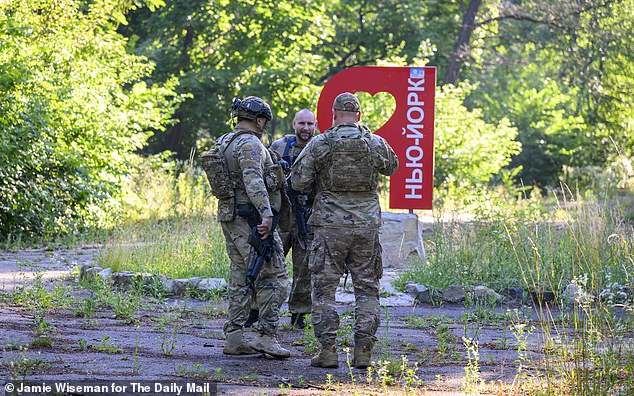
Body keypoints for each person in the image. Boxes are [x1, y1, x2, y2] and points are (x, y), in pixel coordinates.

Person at [291, 92, 398, 369]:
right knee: (367, 291)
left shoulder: (321, 143)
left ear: (334, 115)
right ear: (359, 116)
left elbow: (299, 181)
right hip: (366, 226)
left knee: (324, 292)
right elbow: (393, 167)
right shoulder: (374, 143)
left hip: (329, 227)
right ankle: (363, 352)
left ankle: (328, 352)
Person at [214, 96, 291, 359]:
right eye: (263, 121)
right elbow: (253, 180)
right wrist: (266, 215)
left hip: (231, 216)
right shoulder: (250, 143)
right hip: (252, 219)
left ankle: (234, 337)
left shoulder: (225, 141)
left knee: (239, 276)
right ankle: (266, 336)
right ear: (259, 120)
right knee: (275, 276)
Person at [267, 109, 317, 328]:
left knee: (304, 268)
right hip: (282, 215)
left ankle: (300, 314)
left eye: (309, 124)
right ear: (293, 124)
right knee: (270, 264)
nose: (305, 128)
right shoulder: (278, 147)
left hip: (308, 216)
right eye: (301, 123)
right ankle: (261, 310)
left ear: (315, 126)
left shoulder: (320, 147)